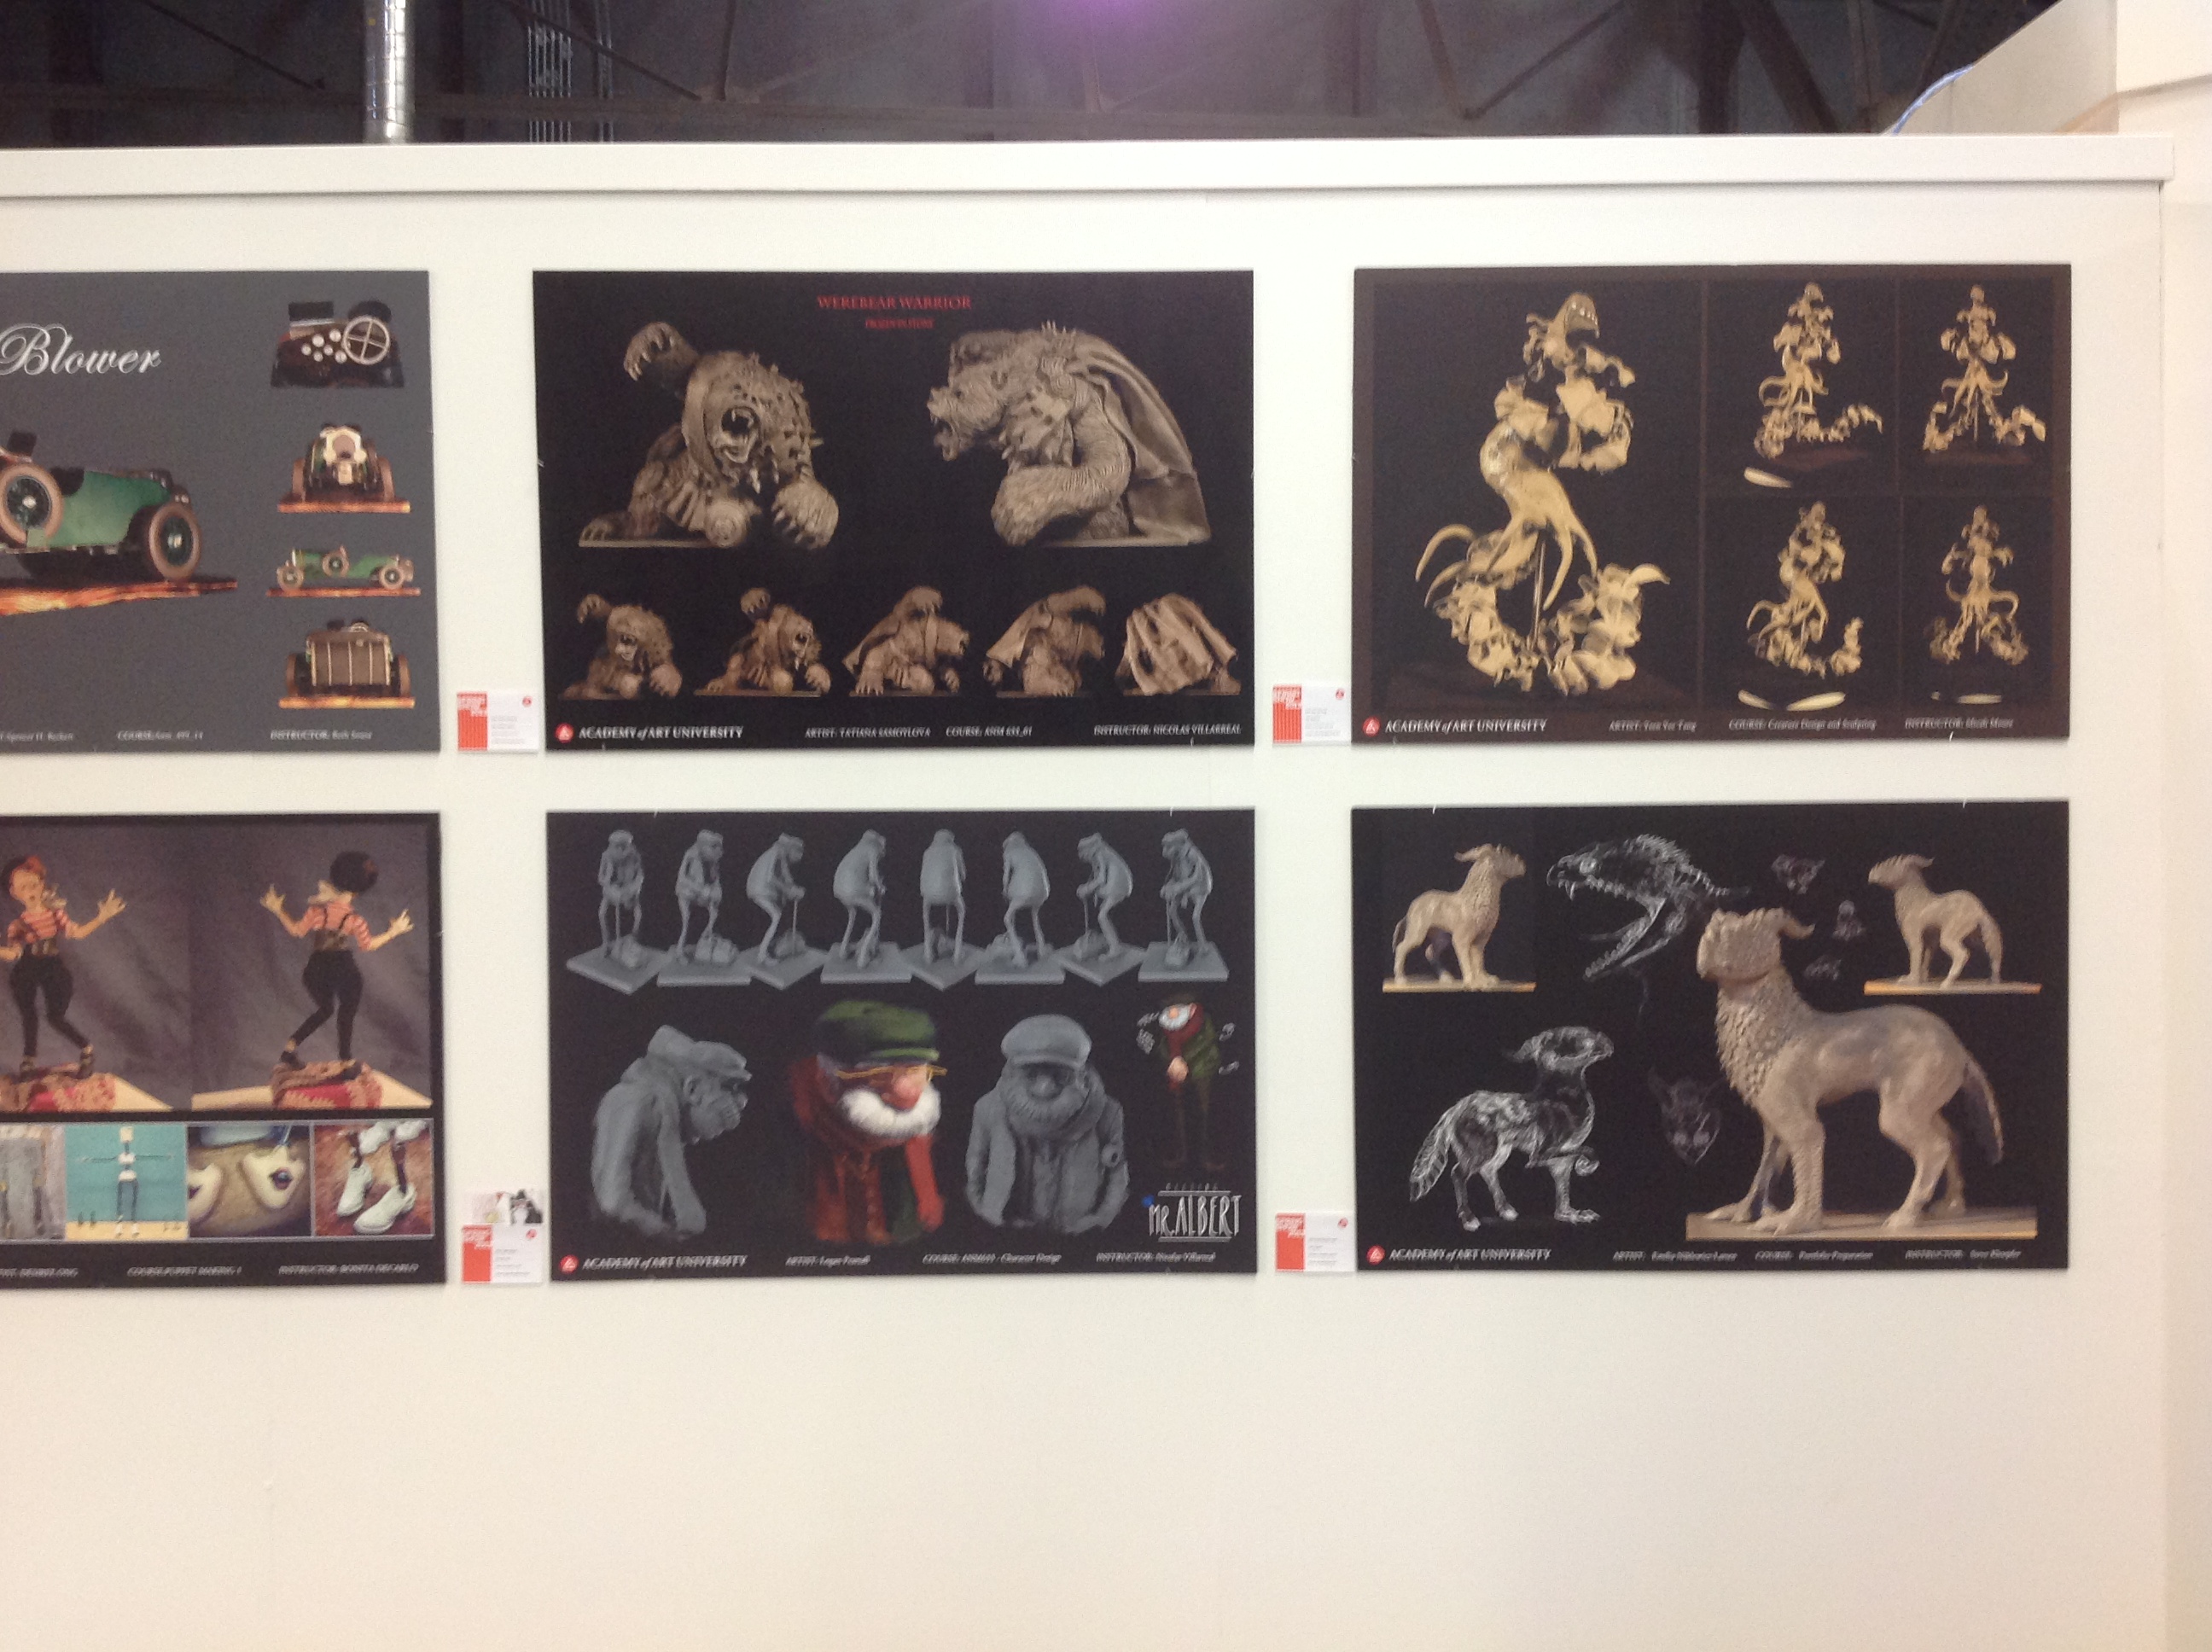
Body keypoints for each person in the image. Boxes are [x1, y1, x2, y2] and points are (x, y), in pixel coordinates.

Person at [789, 1002, 945, 1246]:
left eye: (915, 1070)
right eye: (880, 1074)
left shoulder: (918, 1141)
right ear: (830, 1077)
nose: (905, 1092)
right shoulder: (793, 1131)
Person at [964, 1014, 1127, 1234]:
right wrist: (987, 1211)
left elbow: (1117, 1174)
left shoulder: (1107, 1113)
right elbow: (975, 1165)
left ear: (1080, 1075)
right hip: (1012, 1234)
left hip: (1077, 1235)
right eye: (1032, 1074)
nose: (1044, 1088)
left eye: (1060, 1075)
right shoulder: (988, 1109)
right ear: (1013, 1072)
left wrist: (1100, 1219)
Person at [260, 851, 412, 1080]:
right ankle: (346, 1061)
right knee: (347, 1011)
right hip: (342, 967)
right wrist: (393, 932)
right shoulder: (354, 920)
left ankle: (290, 1048)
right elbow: (368, 945)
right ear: (360, 889)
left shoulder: (317, 911)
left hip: (316, 968)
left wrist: (278, 910)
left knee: (325, 1010)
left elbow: (296, 931)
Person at [590, 1026, 748, 1240]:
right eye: (728, 1087)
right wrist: (666, 1236)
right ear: (693, 1089)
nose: (740, 1101)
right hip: (612, 1242)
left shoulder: (667, 1114)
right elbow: (613, 1201)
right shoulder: (638, 1101)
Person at [1, 854, 125, 1081]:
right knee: (28, 1013)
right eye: (23, 887)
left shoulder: (55, 914)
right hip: (28, 967)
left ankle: (86, 1049)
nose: (30, 891)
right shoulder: (17, 925)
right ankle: (28, 1060)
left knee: (55, 1016)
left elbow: (77, 933)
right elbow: (13, 953)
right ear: (14, 893)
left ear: (42, 883)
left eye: (34, 884)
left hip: (52, 967)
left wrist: (101, 918)